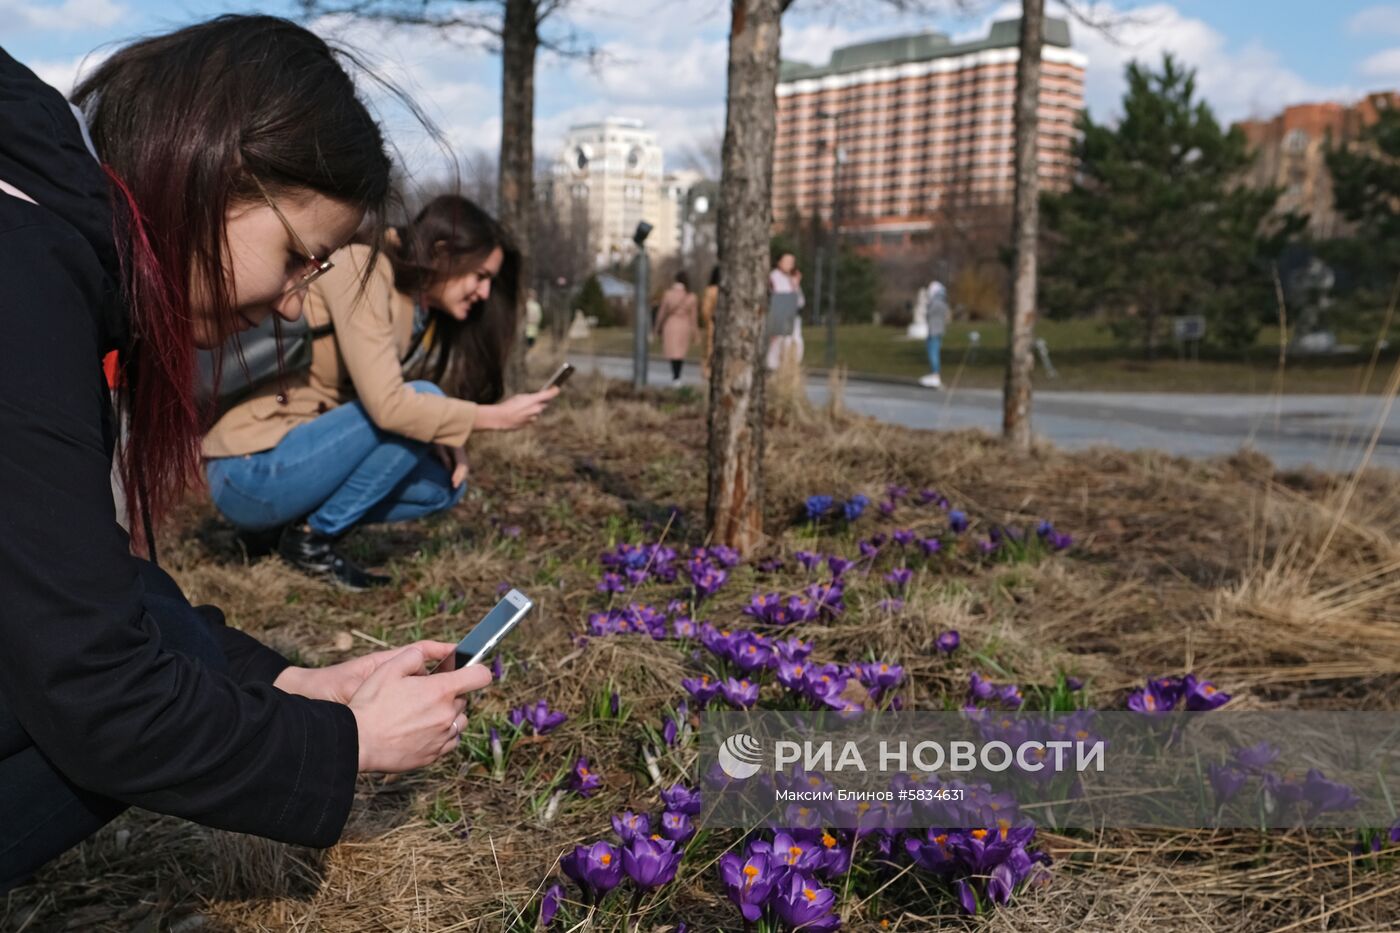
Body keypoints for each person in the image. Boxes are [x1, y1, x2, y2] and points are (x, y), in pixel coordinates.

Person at [0, 17, 493, 893]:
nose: (297, 306)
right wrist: (350, 746)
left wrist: (292, 681)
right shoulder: (25, 284)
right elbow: (101, 694)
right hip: (255, 474)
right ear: (218, 172)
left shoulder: (48, 235)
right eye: (302, 259)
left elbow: (82, 588)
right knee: (116, 728)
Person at [203, 195, 557, 589]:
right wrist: (492, 417)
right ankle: (311, 540)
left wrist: (436, 427)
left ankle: (278, 532)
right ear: (441, 252)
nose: (484, 294)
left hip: (296, 460)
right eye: (480, 275)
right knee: (424, 399)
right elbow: (388, 406)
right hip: (249, 470)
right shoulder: (364, 267)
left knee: (443, 487)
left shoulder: (410, 304)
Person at [654, 270, 698, 385]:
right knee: (680, 352)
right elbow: (693, 318)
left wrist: (657, 327)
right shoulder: (691, 296)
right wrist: (695, 333)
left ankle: (675, 376)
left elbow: (661, 314)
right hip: (684, 326)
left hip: (671, 325)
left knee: (673, 352)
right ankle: (677, 376)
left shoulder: (668, 294)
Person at [767, 252, 805, 371]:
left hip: (792, 315)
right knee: (779, 342)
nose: (790, 265)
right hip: (779, 314)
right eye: (787, 261)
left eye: (792, 262)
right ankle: (772, 368)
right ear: (779, 262)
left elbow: (801, 302)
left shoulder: (793, 280)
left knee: (796, 342)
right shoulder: (773, 277)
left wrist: (795, 285)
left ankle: (790, 368)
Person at [919, 279, 950, 389]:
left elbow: (928, 314)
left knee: (933, 353)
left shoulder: (936, 303)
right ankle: (934, 374)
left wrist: (927, 305)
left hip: (934, 331)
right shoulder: (943, 302)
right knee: (934, 352)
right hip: (938, 330)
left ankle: (935, 375)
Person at [699, 265, 719, 382]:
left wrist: (709, 321)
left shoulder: (710, 291)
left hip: (712, 326)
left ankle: (708, 374)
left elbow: (705, 311)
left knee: (708, 351)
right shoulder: (731, 291)